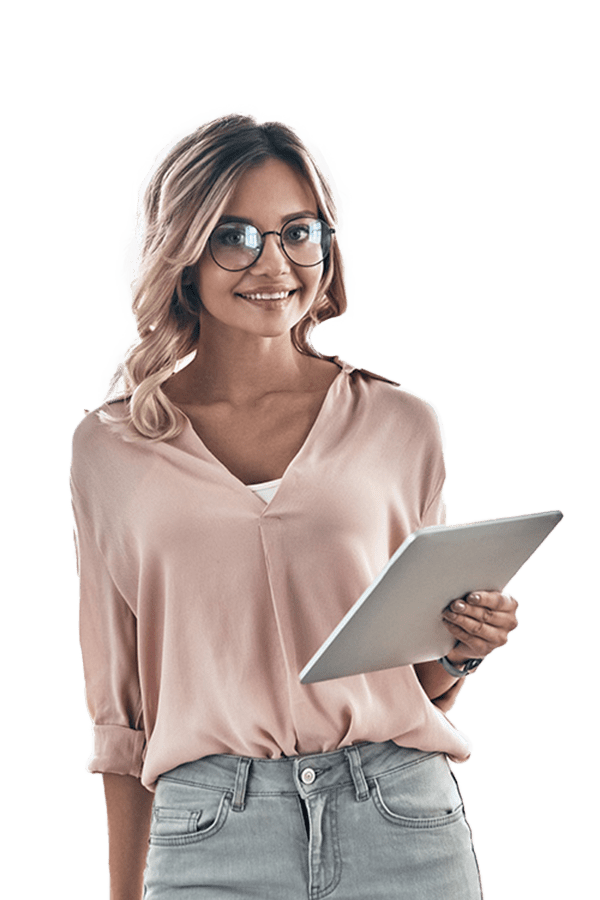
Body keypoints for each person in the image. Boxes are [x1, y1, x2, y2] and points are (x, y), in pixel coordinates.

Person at [69, 111, 519, 900]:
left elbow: (409, 676)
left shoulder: (399, 422)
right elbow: (122, 720)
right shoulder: (112, 448)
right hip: (209, 832)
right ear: (183, 252)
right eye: (235, 236)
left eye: (298, 232)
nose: (273, 262)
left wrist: (460, 649)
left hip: (401, 817)